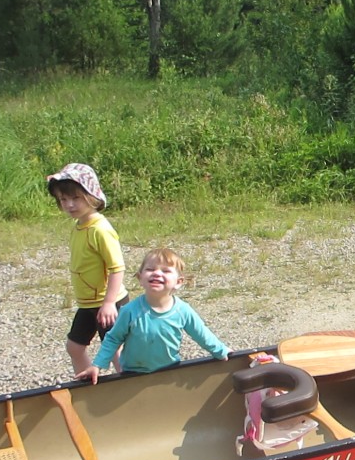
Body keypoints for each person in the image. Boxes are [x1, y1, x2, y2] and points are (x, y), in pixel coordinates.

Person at [76, 247, 231, 383]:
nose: (157, 273)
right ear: (140, 278)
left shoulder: (183, 311)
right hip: (132, 373)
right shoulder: (129, 311)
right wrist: (97, 365)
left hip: (169, 371)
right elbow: (113, 338)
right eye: (150, 269)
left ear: (178, 282)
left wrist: (222, 352)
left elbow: (202, 334)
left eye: (165, 271)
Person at [47, 163, 129, 375]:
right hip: (87, 303)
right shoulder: (79, 226)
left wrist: (110, 303)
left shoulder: (100, 229)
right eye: (63, 200)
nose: (69, 205)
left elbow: (117, 268)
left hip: (108, 303)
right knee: (74, 347)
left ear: (91, 195)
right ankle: (85, 385)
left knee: (115, 351)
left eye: (75, 198)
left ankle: (129, 388)